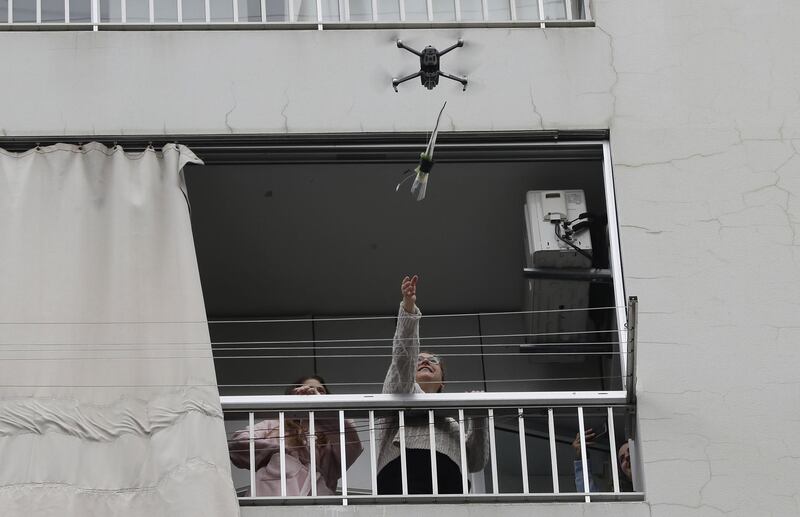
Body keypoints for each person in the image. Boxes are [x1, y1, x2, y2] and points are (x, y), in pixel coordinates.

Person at [377, 275, 489, 494]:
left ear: (443, 382)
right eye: (419, 360)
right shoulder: (397, 388)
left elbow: (475, 462)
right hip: (401, 476)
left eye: (433, 361)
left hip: (449, 482)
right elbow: (403, 358)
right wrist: (408, 311)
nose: (426, 361)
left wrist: (478, 415)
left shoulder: (451, 422)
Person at [229, 376, 363, 496]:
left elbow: (353, 447)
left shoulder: (333, 432)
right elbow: (238, 444)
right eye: (307, 388)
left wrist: (322, 408)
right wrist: (281, 453)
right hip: (270, 497)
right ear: (294, 394)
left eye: (320, 391)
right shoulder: (275, 424)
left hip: (316, 502)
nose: (312, 392)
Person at [571, 428, 633, 492]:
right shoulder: (623, 497)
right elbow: (588, 496)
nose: (627, 456)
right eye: (622, 459)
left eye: (630, 451)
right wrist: (581, 457)